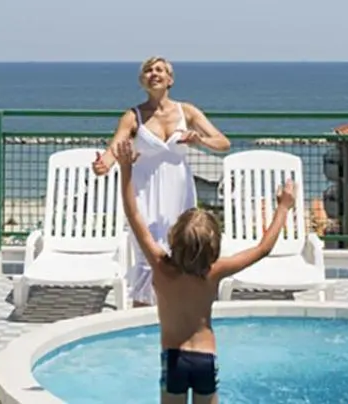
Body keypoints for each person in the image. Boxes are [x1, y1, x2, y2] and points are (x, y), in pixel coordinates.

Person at [115, 137, 296, 403]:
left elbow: (134, 215)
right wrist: (283, 206)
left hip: (173, 357)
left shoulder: (160, 265)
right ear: (214, 247)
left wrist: (126, 170)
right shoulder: (214, 271)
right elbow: (263, 248)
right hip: (205, 358)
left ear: (174, 239)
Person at [91, 56, 230, 306]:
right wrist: (104, 164)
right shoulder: (133, 116)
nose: (153, 73)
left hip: (179, 190)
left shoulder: (186, 111)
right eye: (148, 70)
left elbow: (223, 143)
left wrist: (200, 140)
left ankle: (180, 307)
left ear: (170, 79)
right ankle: (142, 315)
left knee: (182, 248)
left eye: (159, 70)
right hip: (145, 191)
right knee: (148, 255)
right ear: (142, 80)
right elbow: (114, 148)